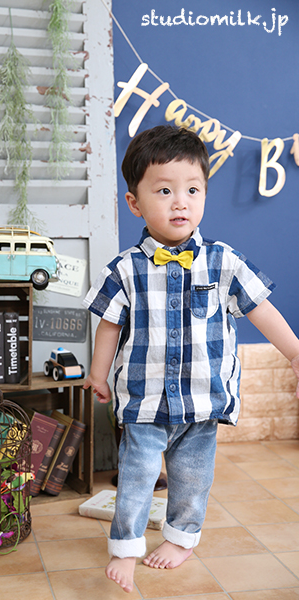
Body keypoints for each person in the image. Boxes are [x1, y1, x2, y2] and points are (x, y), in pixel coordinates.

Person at [82, 125, 299, 593]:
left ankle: (181, 539)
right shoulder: (124, 269)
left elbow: (261, 310)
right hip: (145, 400)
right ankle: (125, 548)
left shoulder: (224, 261)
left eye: (192, 190)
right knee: (138, 474)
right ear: (134, 203)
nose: (180, 202)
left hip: (202, 401)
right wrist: (98, 375)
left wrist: (295, 352)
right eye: (164, 191)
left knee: (193, 478)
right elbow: (109, 325)